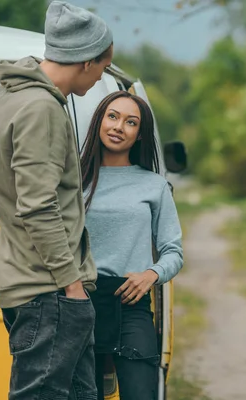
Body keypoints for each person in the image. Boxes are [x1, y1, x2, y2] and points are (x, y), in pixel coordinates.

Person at [0, 2, 113, 399]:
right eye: (104, 67)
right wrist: (72, 285)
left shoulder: (11, 94)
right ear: (86, 62)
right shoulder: (41, 108)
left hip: (38, 285)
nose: (100, 75)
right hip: (49, 290)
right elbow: (37, 205)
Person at [80, 91, 184, 400]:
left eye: (130, 122)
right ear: (99, 120)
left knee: (141, 393)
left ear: (139, 135)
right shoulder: (74, 181)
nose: (118, 127)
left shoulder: (153, 186)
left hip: (131, 302)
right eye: (112, 116)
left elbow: (173, 252)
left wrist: (150, 275)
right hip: (80, 301)